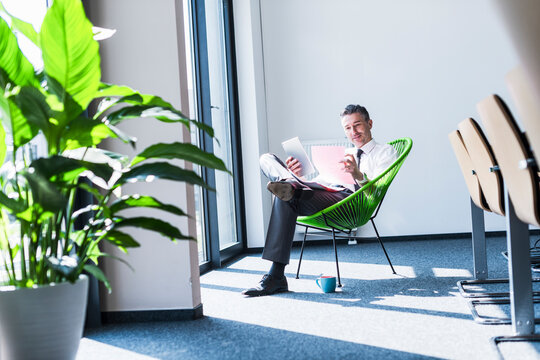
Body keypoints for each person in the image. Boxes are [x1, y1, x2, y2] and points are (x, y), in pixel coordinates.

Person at [242, 104, 398, 297]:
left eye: (357, 125)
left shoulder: (385, 151)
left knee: (287, 197)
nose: (353, 132)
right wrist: (298, 176)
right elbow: (323, 181)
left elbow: (376, 191)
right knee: (267, 158)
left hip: (349, 202)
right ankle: (289, 181)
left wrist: (357, 174)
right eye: (347, 128)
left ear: (370, 123)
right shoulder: (345, 152)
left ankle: (276, 276)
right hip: (323, 192)